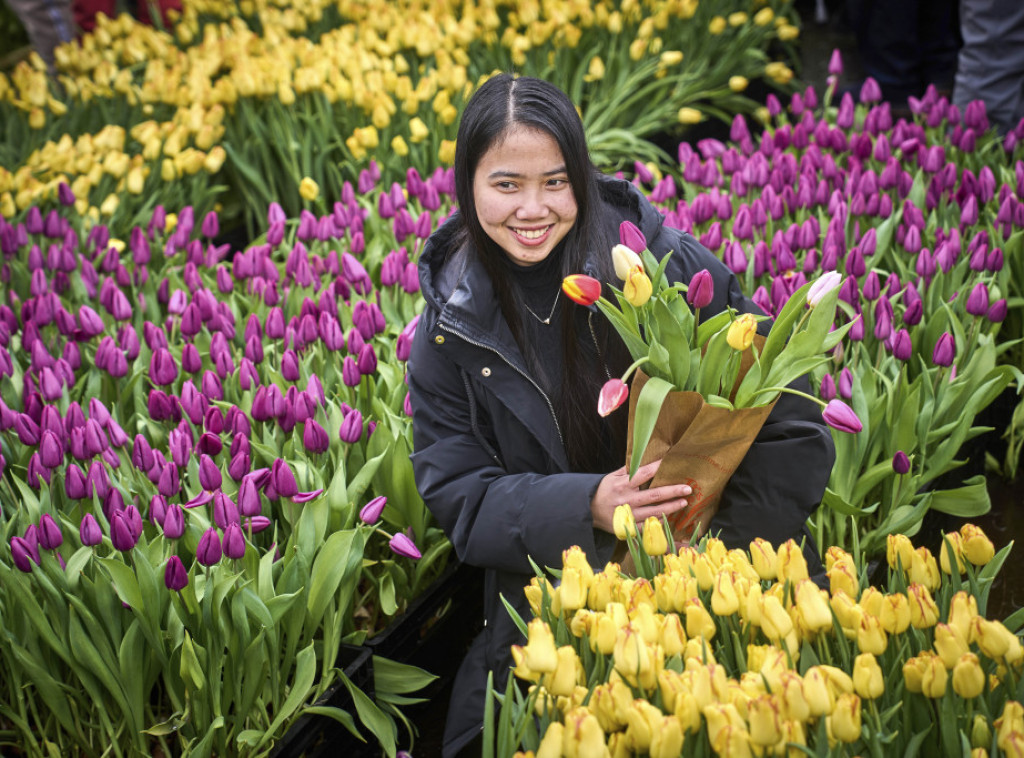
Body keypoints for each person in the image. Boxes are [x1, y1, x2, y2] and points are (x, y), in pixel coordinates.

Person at [407, 74, 835, 758]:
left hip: (719, 556)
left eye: (555, 181)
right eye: (506, 185)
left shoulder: (660, 269)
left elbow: (790, 428)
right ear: (468, 186)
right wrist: (590, 505)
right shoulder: (448, 328)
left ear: (581, 174)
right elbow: (460, 499)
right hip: (554, 571)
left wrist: (706, 558)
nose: (533, 208)